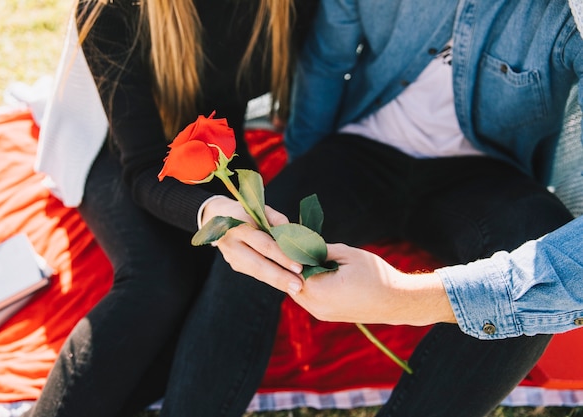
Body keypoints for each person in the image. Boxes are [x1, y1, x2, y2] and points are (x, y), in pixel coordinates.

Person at [158, 0, 583, 416]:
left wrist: (397, 298)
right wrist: (304, 166)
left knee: (534, 257)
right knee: (259, 240)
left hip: (488, 171)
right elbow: (325, 61)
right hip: (360, 152)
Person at [23, 0, 316, 416]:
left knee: (229, 282)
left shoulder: (292, 7)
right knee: (159, 281)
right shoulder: (111, 9)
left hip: (210, 138)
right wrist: (212, 211)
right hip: (109, 142)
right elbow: (142, 165)